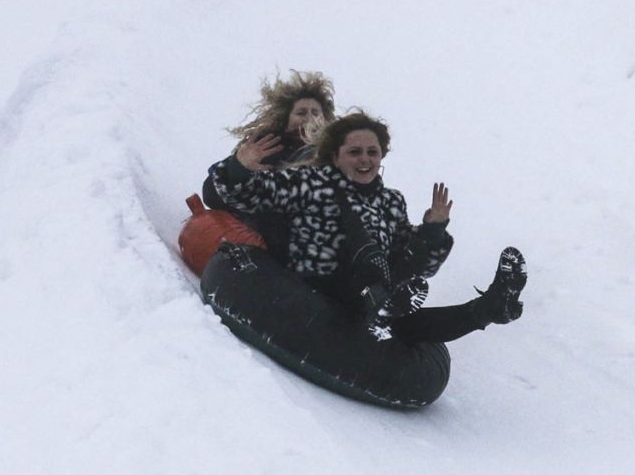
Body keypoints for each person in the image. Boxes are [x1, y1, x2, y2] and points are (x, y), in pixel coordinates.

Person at [207, 110, 527, 342]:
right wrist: (240, 167)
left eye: (372, 152)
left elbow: (420, 266)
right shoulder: (307, 185)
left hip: (370, 298)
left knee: (407, 322)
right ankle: (376, 301)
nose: (365, 159)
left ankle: (491, 307)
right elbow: (241, 196)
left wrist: (433, 229)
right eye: (355, 151)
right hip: (310, 283)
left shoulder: (389, 202)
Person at [201, 70, 337, 257]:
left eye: (316, 113)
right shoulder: (266, 148)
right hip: (273, 243)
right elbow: (211, 193)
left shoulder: (338, 156)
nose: (309, 118)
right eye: (301, 112)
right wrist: (239, 168)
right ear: (286, 119)